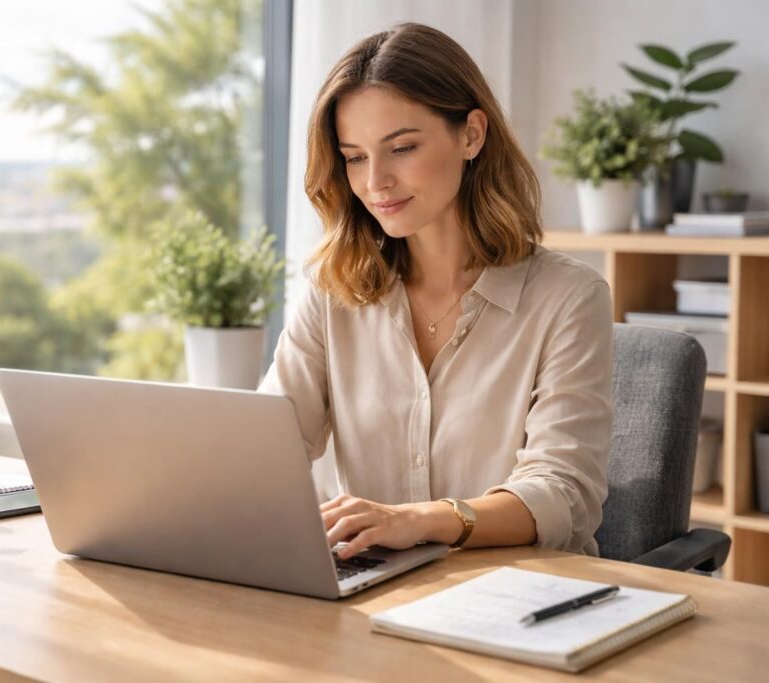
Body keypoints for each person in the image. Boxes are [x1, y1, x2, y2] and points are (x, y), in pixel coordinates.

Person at [259, 23, 612, 560]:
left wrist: (418, 521)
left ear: (471, 135)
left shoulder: (569, 298)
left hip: (523, 591)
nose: (375, 181)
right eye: (354, 157)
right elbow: (267, 448)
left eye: (401, 148)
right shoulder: (333, 291)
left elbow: (564, 494)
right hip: (377, 590)